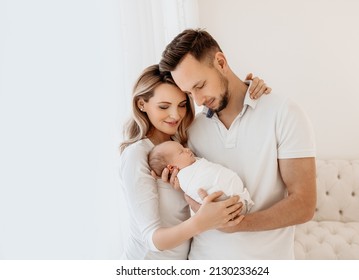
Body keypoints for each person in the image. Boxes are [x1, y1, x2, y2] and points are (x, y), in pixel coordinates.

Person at [159, 28, 317, 259]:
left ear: (220, 62)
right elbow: (195, 202)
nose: (198, 100)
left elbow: (304, 205)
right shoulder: (191, 128)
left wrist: (236, 224)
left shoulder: (284, 113)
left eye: (200, 85)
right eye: (188, 92)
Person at [119, 64, 270, 259]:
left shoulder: (182, 145)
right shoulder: (137, 155)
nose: (175, 115)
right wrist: (202, 221)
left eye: (182, 105)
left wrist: (249, 89)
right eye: (164, 106)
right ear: (142, 104)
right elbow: (152, 240)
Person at [148, 141, 254, 215]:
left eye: (184, 147)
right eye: (181, 151)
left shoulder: (193, 164)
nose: (188, 149)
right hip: (226, 199)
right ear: (171, 167)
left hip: (235, 193)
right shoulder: (185, 178)